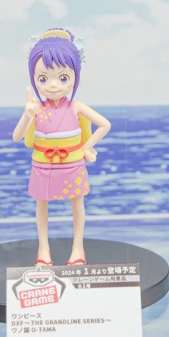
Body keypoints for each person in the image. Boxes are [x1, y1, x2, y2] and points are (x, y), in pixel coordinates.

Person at [12, 28, 111, 266]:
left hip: (72, 165)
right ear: (34, 79)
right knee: (42, 206)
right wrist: (27, 115)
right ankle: (43, 249)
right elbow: (17, 137)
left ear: (76, 78)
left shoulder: (77, 107)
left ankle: (78, 248)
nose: (53, 85)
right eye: (43, 79)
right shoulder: (36, 109)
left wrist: (86, 147)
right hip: (43, 166)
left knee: (77, 205)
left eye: (63, 78)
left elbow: (105, 125)